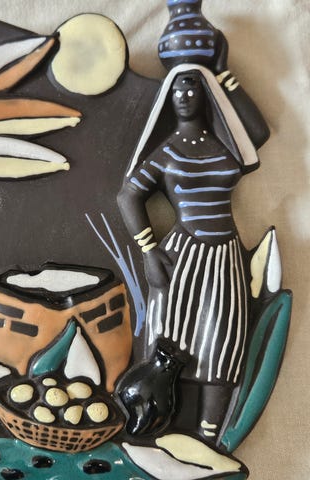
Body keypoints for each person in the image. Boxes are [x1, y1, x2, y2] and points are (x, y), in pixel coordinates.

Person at [117, 64, 269, 443]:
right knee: (172, 337)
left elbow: (259, 133)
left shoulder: (227, 143)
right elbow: (128, 195)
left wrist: (225, 75)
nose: (184, 97)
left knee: (224, 338)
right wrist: (149, 250)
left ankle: (209, 436)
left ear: (206, 95)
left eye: (192, 89)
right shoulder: (167, 151)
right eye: (177, 91)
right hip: (181, 256)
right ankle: (160, 428)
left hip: (225, 255)